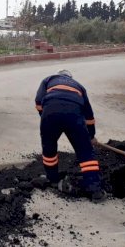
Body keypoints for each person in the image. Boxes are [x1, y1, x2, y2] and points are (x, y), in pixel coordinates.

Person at [35, 69, 106, 202]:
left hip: (50, 113)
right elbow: (89, 116)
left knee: (49, 148)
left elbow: (39, 101)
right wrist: (91, 136)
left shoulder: (49, 79)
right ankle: (95, 191)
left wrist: (46, 117)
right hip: (74, 115)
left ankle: (53, 180)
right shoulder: (79, 86)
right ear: (70, 77)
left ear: (58, 74)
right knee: (85, 152)